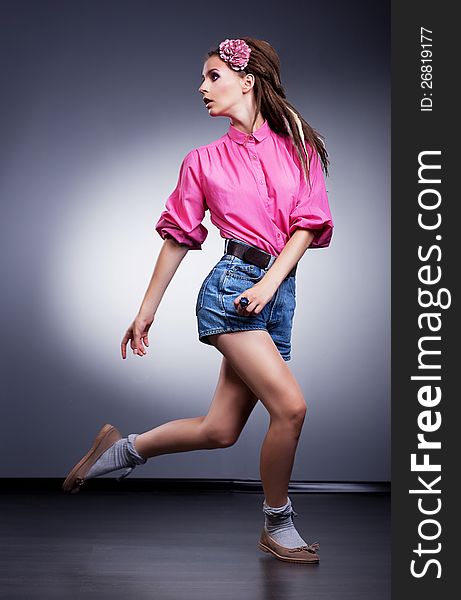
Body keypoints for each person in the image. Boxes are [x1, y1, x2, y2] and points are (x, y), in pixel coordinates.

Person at [62, 37, 333, 565]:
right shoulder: (202, 161)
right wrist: (146, 310)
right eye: (203, 79)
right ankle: (278, 523)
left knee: (220, 430)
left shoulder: (299, 146)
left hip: (275, 293)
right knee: (292, 409)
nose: (202, 88)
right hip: (232, 292)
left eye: (212, 76)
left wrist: (272, 284)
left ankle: (117, 451)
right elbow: (178, 237)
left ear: (246, 79)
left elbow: (307, 224)